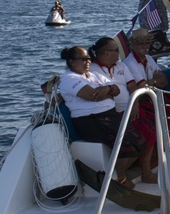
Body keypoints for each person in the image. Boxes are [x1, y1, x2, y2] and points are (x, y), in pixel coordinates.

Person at [59, 46, 145, 189]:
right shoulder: (69, 79)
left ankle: (117, 174)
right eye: (83, 59)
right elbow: (92, 96)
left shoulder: (93, 75)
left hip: (110, 117)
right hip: (91, 121)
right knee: (128, 145)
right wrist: (108, 91)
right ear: (72, 62)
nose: (87, 62)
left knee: (141, 142)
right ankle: (120, 177)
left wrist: (107, 89)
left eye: (89, 59)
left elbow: (116, 90)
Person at [91, 36, 158, 185]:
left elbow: (132, 86)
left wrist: (134, 104)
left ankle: (146, 172)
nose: (119, 53)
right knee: (139, 135)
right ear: (106, 53)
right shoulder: (92, 70)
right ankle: (120, 175)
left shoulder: (121, 66)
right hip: (111, 114)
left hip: (131, 109)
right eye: (116, 50)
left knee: (152, 127)